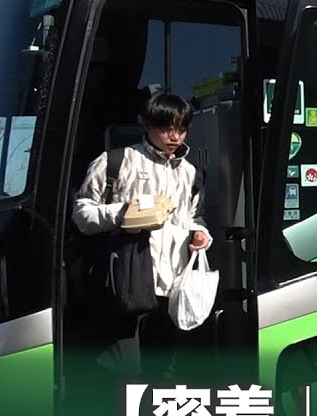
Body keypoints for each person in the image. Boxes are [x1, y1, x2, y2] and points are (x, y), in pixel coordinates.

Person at [72, 92, 212, 384]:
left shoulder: (191, 173)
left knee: (164, 371)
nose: (174, 136)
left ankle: (153, 414)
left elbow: (191, 218)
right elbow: (82, 214)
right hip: (127, 281)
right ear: (146, 125)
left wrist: (200, 234)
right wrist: (124, 213)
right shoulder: (117, 161)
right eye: (166, 128)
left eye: (181, 129)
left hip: (171, 287)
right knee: (122, 371)